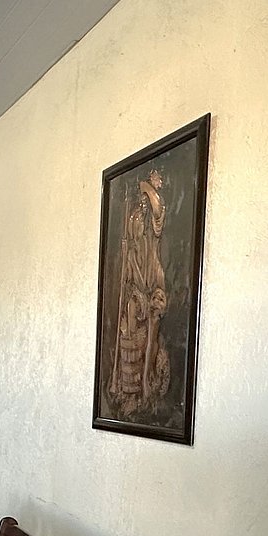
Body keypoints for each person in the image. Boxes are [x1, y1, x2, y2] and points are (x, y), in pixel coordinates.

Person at [108, 168, 170, 416]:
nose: (142, 208)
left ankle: (144, 387)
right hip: (135, 292)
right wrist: (126, 251)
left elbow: (157, 209)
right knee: (129, 331)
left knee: (148, 338)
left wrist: (146, 186)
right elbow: (128, 271)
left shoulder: (152, 233)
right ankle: (128, 391)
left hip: (150, 288)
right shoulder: (134, 242)